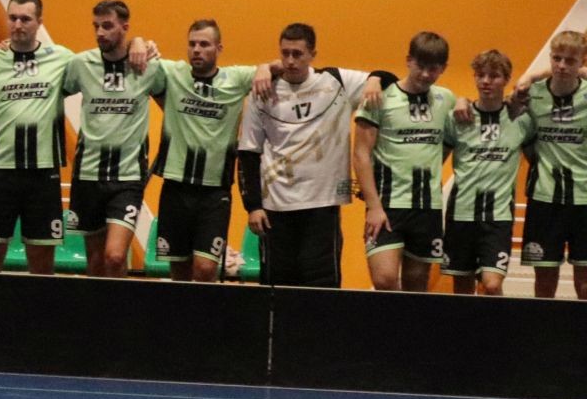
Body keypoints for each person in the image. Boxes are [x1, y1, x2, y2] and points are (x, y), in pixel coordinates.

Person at [236, 24, 387, 289]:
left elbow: (390, 79)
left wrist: (375, 79)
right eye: (285, 53)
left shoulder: (336, 81)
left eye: (298, 54)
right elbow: (248, 152)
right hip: (275, 208)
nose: (290, 61)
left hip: (322, 206)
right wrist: (253, 206)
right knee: (276, 290)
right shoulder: (263, 91)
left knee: (322, 288)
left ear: (312, 54)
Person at [146, 19, 263, 282]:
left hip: (214, 192)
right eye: (192, 44)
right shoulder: (174, 73)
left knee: (206, 268)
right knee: (179, 269)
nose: (197, 50)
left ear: (219, 48)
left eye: (204, 44)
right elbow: (136, 52)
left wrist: (266, 68)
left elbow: (277, 67)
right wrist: (141, 43)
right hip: (176, 186)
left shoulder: (236, 78)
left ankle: (206, 310)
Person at [0, 0, 75, 275]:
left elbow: (103, 63)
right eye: (12, 18)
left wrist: (140, 43)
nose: (17, 25)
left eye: (25, 19)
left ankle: (37, 307)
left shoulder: (62, 58)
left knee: (42, 260)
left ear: (39, 22)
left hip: (43, 172)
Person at [63, 0, 163, 278]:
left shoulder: (148, 66)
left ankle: (122, 306)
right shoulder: (81, 64)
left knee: (115, 256)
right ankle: (101, 308)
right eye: (96, 26)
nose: (100, 33)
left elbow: (174, 110)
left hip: (128, 177)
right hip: (87, 174)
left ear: (125, 27)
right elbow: (49, 96)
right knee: (96, 263)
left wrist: (142, 42)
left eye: (107, 26)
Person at [354, 31, 456, 293]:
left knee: (416, 286)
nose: (425, 74)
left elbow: (448, 142)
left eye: (433, 68)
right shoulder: (379, 98)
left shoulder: (447, 99)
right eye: (420, 66)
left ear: (443, 68)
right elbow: (361, 154)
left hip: (427, 208)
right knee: (385, 279)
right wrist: (373, 206)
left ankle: (407, 321)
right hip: (388, 205)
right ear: (409, 60)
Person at [441, 49, 534, 296]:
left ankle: (497, 323)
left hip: (498, 217)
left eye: (493, 76)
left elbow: (537, 159)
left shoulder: (521, 119)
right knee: (462, 288)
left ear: (506, 79)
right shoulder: (458, 117)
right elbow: (436, 159)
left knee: (492, 285)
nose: (485, 81)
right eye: (480, 75)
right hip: (461, 213)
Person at [518, 30, 587, 299]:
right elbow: (521, 136)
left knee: (585, 284)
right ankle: (543, 327)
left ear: (582, 62)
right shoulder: (532, 95)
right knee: (545, 283)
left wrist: (535, 73)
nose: (561, 66)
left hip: (584, 199)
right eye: (556, 58)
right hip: (544, 199)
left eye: (570, 60)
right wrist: (530, 78)